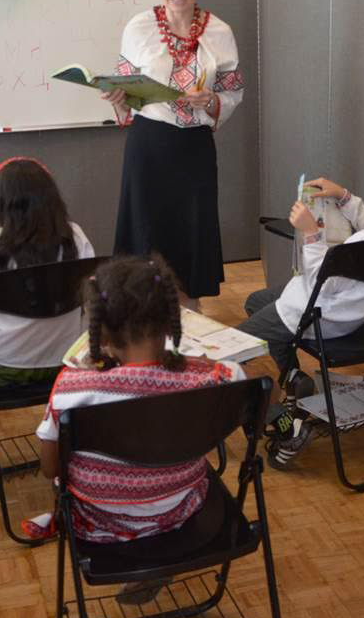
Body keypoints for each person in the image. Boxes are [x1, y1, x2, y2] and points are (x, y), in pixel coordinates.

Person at [24, 256, 244, 599]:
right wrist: (209, 364)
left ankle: (73, 526)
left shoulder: (72, 389)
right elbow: (266, 389)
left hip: (100, 524)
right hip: (183, 510)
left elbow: (50, 468)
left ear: (103, 336)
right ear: (173, 322)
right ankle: (156, 566)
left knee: (64, 479)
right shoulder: (212, 378)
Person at [236, 169, 364, 468]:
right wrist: (343, 196)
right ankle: (295, 379)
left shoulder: (363, 248)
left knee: (233, 353)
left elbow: (323, 277)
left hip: (308, 313)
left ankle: (286, 428)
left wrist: (311, 233)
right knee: (255, 301)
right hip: (345, 315)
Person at [103, 0, 245, 310]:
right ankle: (142, 320)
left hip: (194, 148)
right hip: (149, 145)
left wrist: (211, 101)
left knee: (190, 235)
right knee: (145, 234)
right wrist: (120, 98)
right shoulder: (139, 27)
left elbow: (232, 93)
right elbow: (126, 87)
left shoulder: (220, 32)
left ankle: (189, 322)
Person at [0, 157, 94, 444]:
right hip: (67, 362)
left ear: (5, 205)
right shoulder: (76, 238)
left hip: (5, 369)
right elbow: (89, 300)